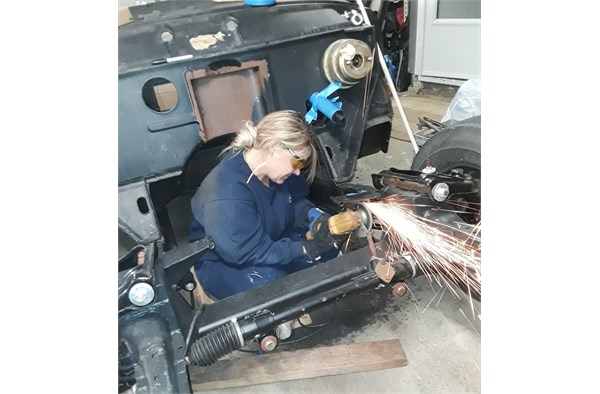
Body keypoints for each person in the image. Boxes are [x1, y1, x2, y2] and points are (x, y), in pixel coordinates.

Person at [189, 110, 339, 300]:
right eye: (296, 162)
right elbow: (248, 252)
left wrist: (311, 214)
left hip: (271, 239)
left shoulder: (278, 172)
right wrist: (305, 248)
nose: (297, 172)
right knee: (272, 285)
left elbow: (294, 201)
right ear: (273, 147)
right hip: (227, 260)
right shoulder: (228, 194)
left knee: (329, 254)